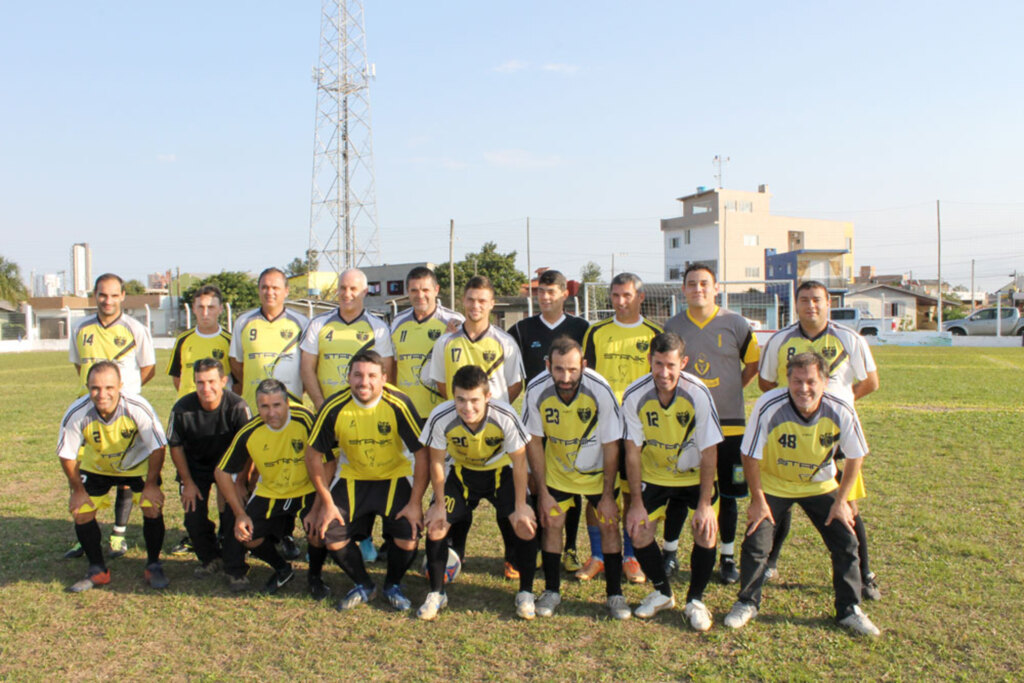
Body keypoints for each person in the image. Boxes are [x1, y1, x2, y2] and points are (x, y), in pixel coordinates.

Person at [724, 351, 881, 637]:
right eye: (797, 381)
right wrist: (758, 501)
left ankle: (849, 610)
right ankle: (747, 602)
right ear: (788, 380)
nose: (804, 388)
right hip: (774, 483)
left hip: (820, 484)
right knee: (756, 542)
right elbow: (749, 455)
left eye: (811, 381)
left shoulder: (841, 406)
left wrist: (842, 502)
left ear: (824, 381)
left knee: (846, 540)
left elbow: (856, 456)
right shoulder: (769, 404)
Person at [758, 280, 881, 599]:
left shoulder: (849, 338)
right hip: (791, 434)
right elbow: (765, 381)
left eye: (816, 300)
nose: (810, 305)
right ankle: (770, 562)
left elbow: (870, 382)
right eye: (804, 300)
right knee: (780, 500)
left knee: (846, 503)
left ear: (828, 303)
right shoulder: (780, 340)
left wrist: (838, 406)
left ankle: (864, 573)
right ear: (795, 305)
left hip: (833, 437)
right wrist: (794, 411)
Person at [304, 350, 428, 611]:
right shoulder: (333, 407)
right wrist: (326, 503)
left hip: (394, 475)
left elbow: (422, 454)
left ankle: (393, 584)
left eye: (372, 375)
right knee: (332, 533)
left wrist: (416, 502)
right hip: (353, 476)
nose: (364, 382)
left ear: (384, 378)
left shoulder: (399, 404)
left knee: (409, 534)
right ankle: (364, 584)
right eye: (358, 375)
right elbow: (313, 455)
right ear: (348, 377)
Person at [422, 275, 525, 578]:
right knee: (459, 505)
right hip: (459, 439)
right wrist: (464, 413)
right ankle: (456, 553)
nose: (475, 305)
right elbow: (442, 384)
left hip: (495, 440)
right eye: (470, 299)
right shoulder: (446, 341)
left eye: (482, 300)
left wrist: (493, 410)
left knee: (507, 509)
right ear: (462, 302)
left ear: (492, 304)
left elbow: (515, 385)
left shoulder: (505, 342)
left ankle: (512, 557)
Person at [417, 365, 538, 620]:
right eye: (460, 399)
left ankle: (526, 592)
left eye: (474, 400)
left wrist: (521, 505)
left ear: (487, 397)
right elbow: (437, 462)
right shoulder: (441, 416)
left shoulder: (505, 414)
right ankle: (436, 593)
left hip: (499, 472)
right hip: (461, 474)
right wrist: (439, 504)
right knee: (437, 525)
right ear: (453, 396)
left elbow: (519, 462)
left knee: (524, 524)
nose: (467, 407)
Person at [663, 264, 759, 584]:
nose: (698, 289)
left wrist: (731, 389)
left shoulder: (736, 323)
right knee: (679, 492)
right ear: (683, 290)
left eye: (704, 283)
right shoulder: (673, 325)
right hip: (685, 423)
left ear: (716, 288)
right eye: (692, 284)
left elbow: (753, 364)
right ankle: (670, 552)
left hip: (730, 423)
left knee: (729, 495)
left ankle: (728, 557)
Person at [522, 337, 630, 619]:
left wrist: (607, 495)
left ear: (583, 365)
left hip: (597, 473)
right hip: (559, 470)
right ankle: (552, 591)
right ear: (548, 366)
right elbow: (533, 441)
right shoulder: (536, 390)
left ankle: (615, 594)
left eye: (572, 369)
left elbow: (611, 444)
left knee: (608, 525)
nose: (566, 377)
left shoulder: (600, 389)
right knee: (552, 523)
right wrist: (543, 493)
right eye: (559, 369)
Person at [621, 332, 723, 630]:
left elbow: (709, 451)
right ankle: (663, 593)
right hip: (654, 475)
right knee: (638, 531)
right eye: (657, 364)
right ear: (649, 361)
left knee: (706, 529)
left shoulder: (699, 393)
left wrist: (705, 504)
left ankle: (696, 600)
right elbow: (632, 451)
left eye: (670, 365)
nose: (664, 373)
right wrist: (636, 503)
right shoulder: (634, 395)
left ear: (683, 363)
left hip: (693, 476)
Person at [579, 272, 663, 584]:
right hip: (601, 424)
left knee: (631, 491)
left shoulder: (654, 333)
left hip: (637, 425)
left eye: (627, 295)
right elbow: (586, 377)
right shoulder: (596, 332)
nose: (620, 301)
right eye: (615, 295)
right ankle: (598, 555)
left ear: (641, 297)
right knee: (597, 490)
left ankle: (630, 556)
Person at [66, 273, 156, 559]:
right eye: (102, 294)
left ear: (123, 296)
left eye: (114, 295)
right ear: (95, 295)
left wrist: (123, 394)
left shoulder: (135, 328)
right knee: (87, 469)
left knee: (127, 474)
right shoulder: (81, 328)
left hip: (124, 414)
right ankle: (86, 535)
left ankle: (118, 534)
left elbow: (148, 368)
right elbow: (79, 366)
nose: (108, 300)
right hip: (92, 412)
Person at [57, 361, 168, 592]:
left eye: (109, 387)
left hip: (136, 466)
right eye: (95, 388)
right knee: (81, 512)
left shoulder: (137, 406)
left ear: (120, 386)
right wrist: (77, 491)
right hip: (97, 467)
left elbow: (157, 447)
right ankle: (97, 570)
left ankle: (154, 565)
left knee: (152, 506)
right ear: (87, 387)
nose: (102, 394)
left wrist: (151, 484)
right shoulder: (77, 412)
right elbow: (67, 455)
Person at [508, 269, 589, 572]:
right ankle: (543, 543)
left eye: (551, 292)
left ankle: (569, 548)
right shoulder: (523, 329)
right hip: (538, 418)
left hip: (573, 418)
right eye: (540, 292)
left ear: (564, 294)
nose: (544, 297)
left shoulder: (581, 327)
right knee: (536, 482)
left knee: (570, 484)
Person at [215, 379, 322, 596]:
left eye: (276, 405)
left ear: (287, 404)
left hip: (307, 488)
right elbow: (221, 472)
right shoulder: (250, 430)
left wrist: (323, 501)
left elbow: (328, 459)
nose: (271, 412)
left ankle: (315, 577)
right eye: (264, 406)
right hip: (272, 491)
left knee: (317, 533)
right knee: (247, 535)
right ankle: (283, 569)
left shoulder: (305, 419)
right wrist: (239, 514)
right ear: (257, 407)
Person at [166, 358, 252, 577]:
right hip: (195, 469)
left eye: (212, 381)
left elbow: (250, 448)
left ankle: (235, 567)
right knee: (193, 515)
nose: (206, 388)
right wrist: (187, 483)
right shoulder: (181, 409)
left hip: (230, 468)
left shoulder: (238, 406)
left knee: (234, 512)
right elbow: (175, 447)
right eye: (200, 382)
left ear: (223, 381)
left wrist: (241, 481)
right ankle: (210, 558)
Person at [301, 268, 395, 410]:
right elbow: (307, 368)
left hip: (365, 412)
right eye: (343, 288)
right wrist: (321, 405)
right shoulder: (318, 323)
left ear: (364, 292)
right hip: (327, 411)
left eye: (353, 289)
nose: (347, 294)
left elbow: (386, 374)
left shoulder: (379, 328)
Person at [230, 267, 309, 411]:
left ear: (286, 291)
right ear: (259, 290)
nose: (269, 292)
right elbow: (236, 364)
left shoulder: (301, 323)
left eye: (275, 288)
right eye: (264, 287)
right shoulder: (243, 322)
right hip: (253, 408)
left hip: (291, 408)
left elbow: (309, 367)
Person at [390, 266, 464, 419]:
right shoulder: (397, 322)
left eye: (425, 290)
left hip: (443, 412)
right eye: (414, 290)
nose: (420, 295)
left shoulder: (454, 321)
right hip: (406, 413)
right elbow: (393, 365)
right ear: (407, 292)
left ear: (436, 290)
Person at [167, 285, 233, 399]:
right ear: (193, 309)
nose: (205, 313)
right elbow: (177, 376)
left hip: (219, 407)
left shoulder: (230, 340)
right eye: (201, 307)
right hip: (188, 409)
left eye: (211, 307)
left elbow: (238, 380)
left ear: (220, 309)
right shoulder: (183, 339)